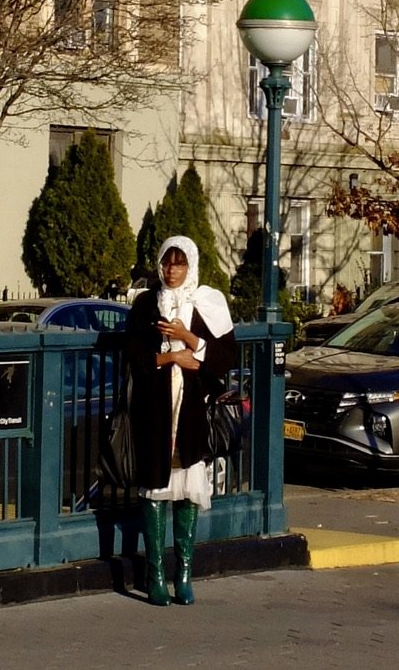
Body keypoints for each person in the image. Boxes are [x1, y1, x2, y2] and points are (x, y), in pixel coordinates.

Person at [124, 235, 237, 606]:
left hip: (190, 409)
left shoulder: (208, 302)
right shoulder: (145, 304)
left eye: (180, 263)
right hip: (155, 407)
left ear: (191, 266)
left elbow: (224, 357)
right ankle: (155, 573)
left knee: (187, 483)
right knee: (156, 484)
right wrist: (170, 358)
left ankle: (184, 573)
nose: (172, 270)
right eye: (167, 263)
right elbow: (135, 353)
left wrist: (189, 339)